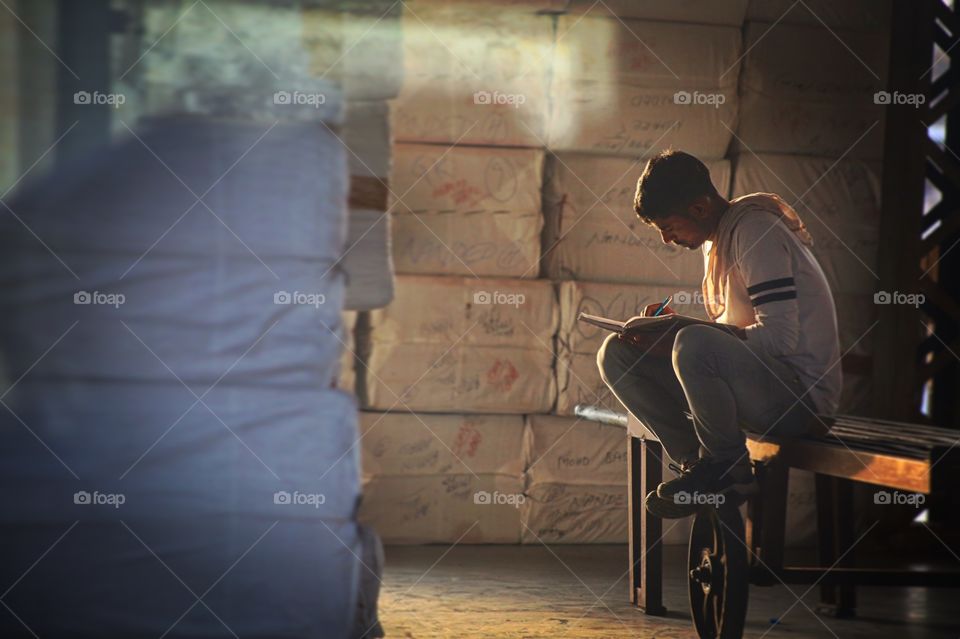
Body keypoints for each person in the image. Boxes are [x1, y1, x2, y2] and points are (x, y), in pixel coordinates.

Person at [597, 150, 842, 518]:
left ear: (699, 208)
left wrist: (685, 332)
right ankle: (697, 465)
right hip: (759, 387)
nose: (667, 240)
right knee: (617, 353)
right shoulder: (718, 238)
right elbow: (734, 331)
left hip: (800, 400)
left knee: (694, 340)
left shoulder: (755, 231)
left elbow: (779, 339)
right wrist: (665, 336)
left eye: (669, 227)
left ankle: (727, 469)